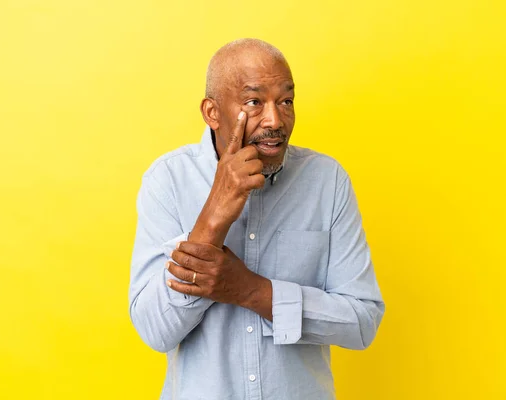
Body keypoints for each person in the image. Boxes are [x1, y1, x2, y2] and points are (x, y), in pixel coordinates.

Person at [129, 38, 385, 400]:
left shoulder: (326, 181)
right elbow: (155, 330)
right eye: (254, 102)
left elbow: (362, 322)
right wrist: (213, 218)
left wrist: (254, 291)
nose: (275, 120)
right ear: (212, 112)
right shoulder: (168, 180)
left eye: (286, 101)